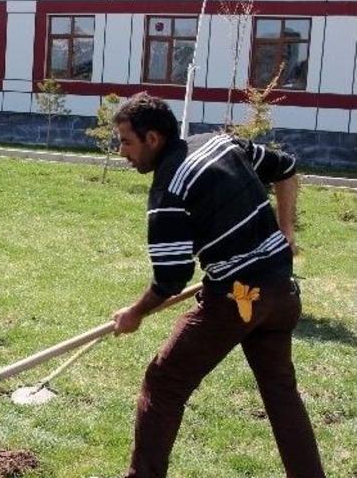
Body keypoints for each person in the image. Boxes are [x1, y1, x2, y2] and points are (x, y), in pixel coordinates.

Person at [110, 93, 325, 477]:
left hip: (239, 300)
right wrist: (286, 232)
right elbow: (287, 168)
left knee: (164, 383)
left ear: (152, 138)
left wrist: (135, 313)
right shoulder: (220, 142)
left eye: (126, 142)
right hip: (282, 292)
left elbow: (170, 279)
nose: (122, 152)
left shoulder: (168, 191)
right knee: (281, 393)